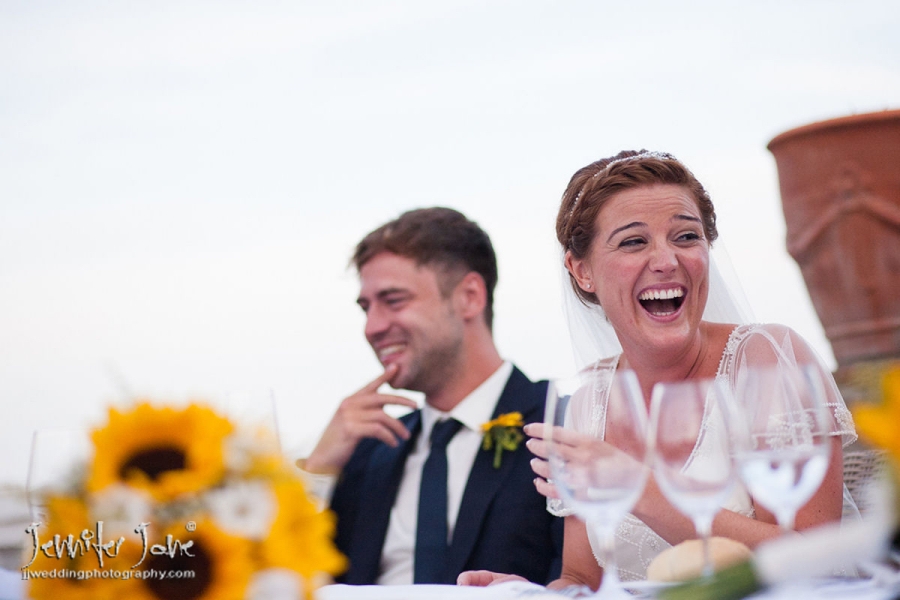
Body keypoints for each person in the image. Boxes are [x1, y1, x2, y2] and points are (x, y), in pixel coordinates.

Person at [458, 150, 858, 591]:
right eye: (633, 242)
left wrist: (638, 488)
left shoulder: (767, 359)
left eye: (687, 236)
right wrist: (530, 592)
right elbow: (582, 580)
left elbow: (816, 561)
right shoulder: (591, 399)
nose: (667, 259)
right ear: (582, 270)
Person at [299, 207, 563, 586]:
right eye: (366, 307)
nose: (372, 327)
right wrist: (318, 471)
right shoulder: (365, 449)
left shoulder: (559, 421)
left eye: (394, 300)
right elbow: (289, 582)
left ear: (470, 296)